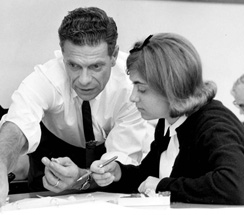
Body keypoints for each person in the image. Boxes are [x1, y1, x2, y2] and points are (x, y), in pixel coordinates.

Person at [0, 7, 154, 210]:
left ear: (114, 56)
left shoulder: (131, 89)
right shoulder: (47, 78)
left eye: (95, 67)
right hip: (47, 192)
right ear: (63, 54)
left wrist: (81, 178)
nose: (84, 80)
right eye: (73, 65)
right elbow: (15, 126)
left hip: (109, 196)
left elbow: (119, 167)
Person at [90, 33, 244, 204]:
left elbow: (234, 186)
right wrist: (118, 173)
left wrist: (163, 187)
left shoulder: (214, 124)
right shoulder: (167, 122)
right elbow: (148, 177)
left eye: (141, 89)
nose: (133, 97)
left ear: (171, 87)